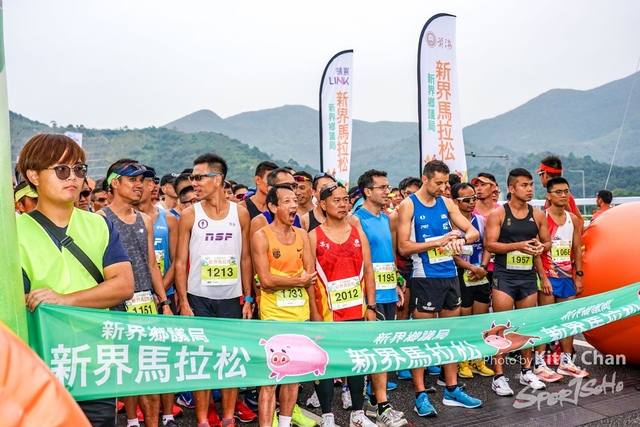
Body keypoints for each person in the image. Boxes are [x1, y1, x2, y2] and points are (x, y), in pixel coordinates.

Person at [17, 133, 134, 427]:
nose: (73, 177)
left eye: (79, 169)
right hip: (39, 368)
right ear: (33, 175)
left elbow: (123, 285)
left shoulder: (100, 225)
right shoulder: (14, 233)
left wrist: (64, 300)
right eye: (61, 169)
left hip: (95, 365)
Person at [174, 153, 255, 427]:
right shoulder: (189, 215)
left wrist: (248, 297)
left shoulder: (240, 213)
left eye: (199, 177)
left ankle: (229, 418)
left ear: (217, 179)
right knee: (202, 360)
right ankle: (202, 420)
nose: (194, 183)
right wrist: (184, 302)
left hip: (231, 299)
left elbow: (246, 258)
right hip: (198, 298)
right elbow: (180, 262)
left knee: (230, 358)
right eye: (192, 178)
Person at [397, 160, 482, 415]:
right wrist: (439, 242)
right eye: (438, 183)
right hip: (425, 277)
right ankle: (420, 395)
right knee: (423, 338)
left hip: (450, 275)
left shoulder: (446, 202)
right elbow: (403, 246)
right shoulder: (409, 204)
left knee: (451, 335)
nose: (444, 188)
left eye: (446, 183)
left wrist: (460, 239)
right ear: (425, 179)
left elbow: (473, 232)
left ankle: (452, 389)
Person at [99, 159, 173, 427]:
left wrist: (164, 302)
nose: (140, 185)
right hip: (116, 307)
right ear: (114, 183)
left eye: (142, 180)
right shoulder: (100, 219)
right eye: (133, 179)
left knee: (149, 370)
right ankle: (131, 421)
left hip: (146, 305)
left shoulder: (145, 220)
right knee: (126, 368)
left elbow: (152, 264)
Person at [309, 182, 377, 427]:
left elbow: (368, 271)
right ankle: (327, 416)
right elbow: (309, 279)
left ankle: (357, 414)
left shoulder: (358, 234)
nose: (342, 204)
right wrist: (314, 313)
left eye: (345, 199)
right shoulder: (313, 236)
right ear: (323, 204)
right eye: (336, 200)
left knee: (357, 362)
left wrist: (371, 307)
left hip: (356, 311)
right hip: (327, 314)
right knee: (325, 364)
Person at [252, 184, 319, 427]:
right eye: (287, 201)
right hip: (273, 316)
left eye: (295, 201)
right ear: (273, 206)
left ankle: (285, 422)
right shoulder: (261, 236)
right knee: (271, 378)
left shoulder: (302, 235)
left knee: (293, 376)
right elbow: (266, 280)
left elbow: (311, 277)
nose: (294, 205)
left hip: (301, 315)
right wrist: (297, 280)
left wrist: (315, 313)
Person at [484, 168, 551, 396]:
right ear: (511, 189)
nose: (530, 189)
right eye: (524, 185)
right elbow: (490, 244)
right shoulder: (499, 214)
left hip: (527, 277)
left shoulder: (538, 215)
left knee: (526, 325)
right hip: (505, 277)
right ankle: (498, 377)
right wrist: (518, 246)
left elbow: (547, 242)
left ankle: (526, 371)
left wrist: (541, 247)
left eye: (531, 184)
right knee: (500, 327)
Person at [351, 170, 407, 427]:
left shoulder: (385, 218)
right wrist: (367, 300)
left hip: (388, 291)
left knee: (385, 349)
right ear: (367, 191)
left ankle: (375, 401)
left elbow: (388, 254)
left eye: (388, 186)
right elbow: (358, 261)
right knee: (376, 350)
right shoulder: (356, 219)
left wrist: (396, 281)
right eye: (382, 187)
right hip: (370, 296)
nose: (388, 191)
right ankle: (382, 406)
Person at [533, 177, 589, 381]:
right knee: (546, 320)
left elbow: (577, 249)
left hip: (566, 277)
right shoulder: (541, 217)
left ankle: (566, 362)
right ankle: (539, 364)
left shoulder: (573, 219)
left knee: (568, 320)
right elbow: (536, 251)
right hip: (547, 276)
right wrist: (543, 278)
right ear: (548, 195)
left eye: (566, 191)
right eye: (558, 192)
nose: (563, 195)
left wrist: (579, 275)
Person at [450, 183, 494, 379]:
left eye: (473, 198)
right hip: (462, 273)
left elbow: (487, 246)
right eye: (466, 199)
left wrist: (482, 267)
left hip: (480, 273)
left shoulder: (480, 220)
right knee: (465, 321)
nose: (471, 202)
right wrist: (471, 268)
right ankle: (463, 361)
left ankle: (478, 359)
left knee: (480, 320)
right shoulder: (451, 224)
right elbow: (451, 254)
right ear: (454, 202)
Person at [537, 155, 584, 233]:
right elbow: (580, 220)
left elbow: (568, 219)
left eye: (540, 174)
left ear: (545, 175)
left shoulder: (555, 197)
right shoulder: (567, 195)